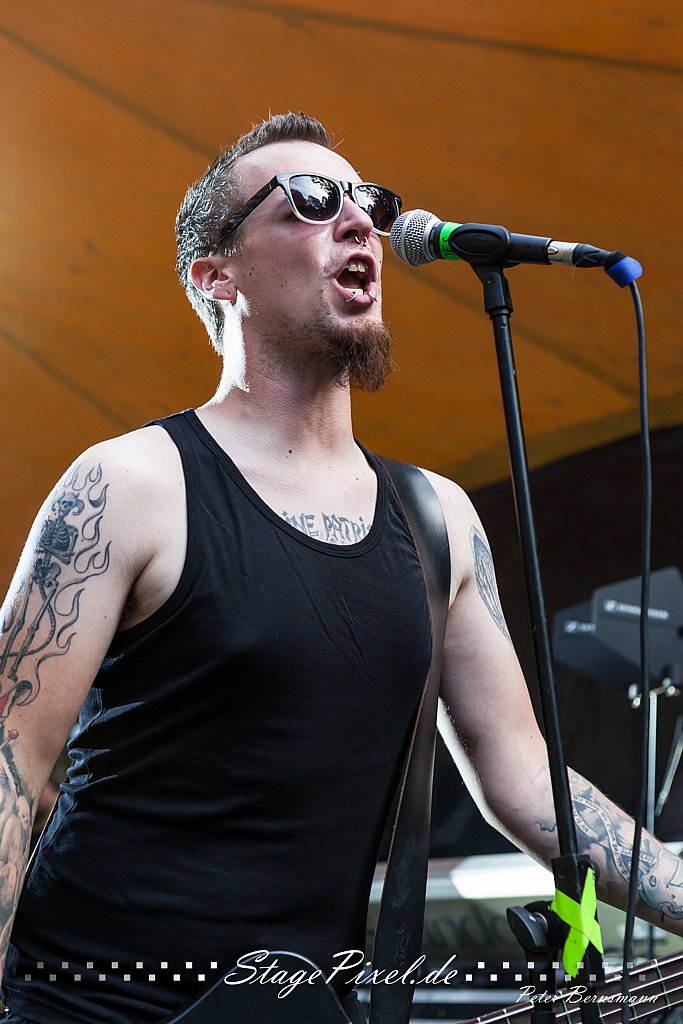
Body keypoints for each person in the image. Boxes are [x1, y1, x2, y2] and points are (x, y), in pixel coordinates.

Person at [0, 111, 681, 1024]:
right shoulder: (129, 485)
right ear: (217, 275)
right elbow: (11, 765)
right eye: (311, 200)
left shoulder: (437, 518)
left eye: (367, 201)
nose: (359, 220)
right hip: (86, 1006)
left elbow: (525, 783)